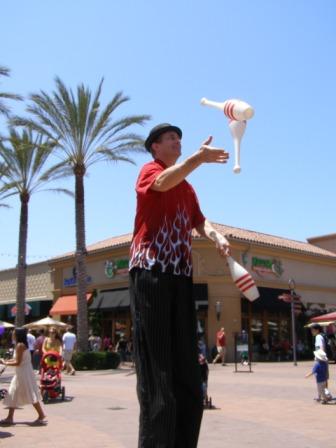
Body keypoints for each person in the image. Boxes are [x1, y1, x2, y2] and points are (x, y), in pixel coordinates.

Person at [129, 123, 230, 447]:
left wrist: (215, 236)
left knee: (188, 371)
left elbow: (199, 220)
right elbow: (161, 183)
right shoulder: (151, 170)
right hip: (151, 274)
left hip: (181, 277)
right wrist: (199, 159)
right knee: (158, 372)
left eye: (179, 138)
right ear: (155, 147)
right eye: (170, 138)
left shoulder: (187, 187)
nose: (177, 141)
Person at [0, 327, 47, 425]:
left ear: (17, 335)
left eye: (14, 333)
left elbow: (18, 362)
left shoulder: (20, 346)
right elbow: (17, 360)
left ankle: (41, 415)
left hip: (23, 373)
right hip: (22, 372)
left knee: (29, 393)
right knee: (13, 393)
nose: (12, 335)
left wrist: (5, 363)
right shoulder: (20, 345)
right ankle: (10, 417)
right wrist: (5, 361)